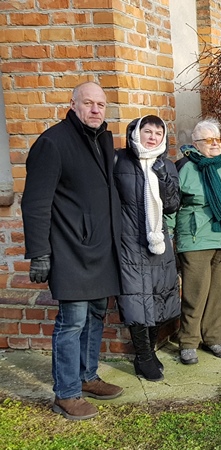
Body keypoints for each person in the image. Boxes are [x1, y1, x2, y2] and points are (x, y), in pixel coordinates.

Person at [21, 81, 124, 420]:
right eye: (89, 103)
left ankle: (87, 375)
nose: (96, 110)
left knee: (96, 314)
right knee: (72, 321)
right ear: (73, 104)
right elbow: (36, 202)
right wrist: (40, 253)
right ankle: (66, 393)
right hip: (69, 249)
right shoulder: (53, 142)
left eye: (101, 105)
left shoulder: (103, 140)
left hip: (100, 248)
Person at [113, 116, 181, 381]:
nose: (152, 137)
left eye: (158, 133)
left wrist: (163, 177)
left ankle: (150, 352)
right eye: (147, 131)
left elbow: (174, 204)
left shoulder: (166, 165)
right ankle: (142, 357)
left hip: (158, 241)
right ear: (135, 133)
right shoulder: (119, 162)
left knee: (157, 296)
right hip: (129, 241)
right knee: (135, 299)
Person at [174, 119, 221, 365]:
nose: (214, 144)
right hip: (195, 237)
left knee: (219, 293)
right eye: (207, 140)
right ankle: (189, 342)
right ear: (195, 144)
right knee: (195, 292)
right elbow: (173, 204)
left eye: (217, 139)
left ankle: (214, 338)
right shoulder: (185, 167)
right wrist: (169, 233)